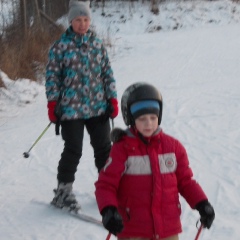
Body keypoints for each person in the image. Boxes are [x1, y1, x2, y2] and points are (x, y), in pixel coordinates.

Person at [95, 82, 215, 240]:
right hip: (133, 229)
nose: (148, 123)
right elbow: (106, 184)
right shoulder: (122, 149)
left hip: (167, 228)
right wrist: (108, 209)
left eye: (153, 117)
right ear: (130, 118)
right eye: (142, 118)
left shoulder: (173, 147)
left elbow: (186, 181)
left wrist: (202, 203)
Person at [45, 0, 118, 211]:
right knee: (73, 148)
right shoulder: (60, 47)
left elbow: (107, 74)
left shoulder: (97, 45)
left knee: (104, 149)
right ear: (71, 21)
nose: (82, 23)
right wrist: (53, 104)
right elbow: (52, 78)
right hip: (70, 109)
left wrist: (111, 99)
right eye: (78, 19)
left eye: (86, 19)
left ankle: (108, 188)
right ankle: (63, 192)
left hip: (97, 107)